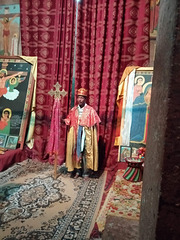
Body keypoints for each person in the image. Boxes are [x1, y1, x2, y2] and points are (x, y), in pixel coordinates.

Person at [64, 88, 101, 179]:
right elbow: (69, 119)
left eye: (82, 98)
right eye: (78, 98)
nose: (79, 100)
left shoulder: (90, 110)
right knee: (75, 151)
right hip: (75, 133)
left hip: (85, 134)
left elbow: (95, 122)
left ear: (85, 99)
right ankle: (77, 170)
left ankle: (86, 172)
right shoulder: (74, 109)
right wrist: (64, 120)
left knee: (85, 152)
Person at [130, 82, 152, 146]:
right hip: (140, 121)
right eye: (151, 89)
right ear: (147, 90)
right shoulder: (140, 99)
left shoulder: (155, 100)